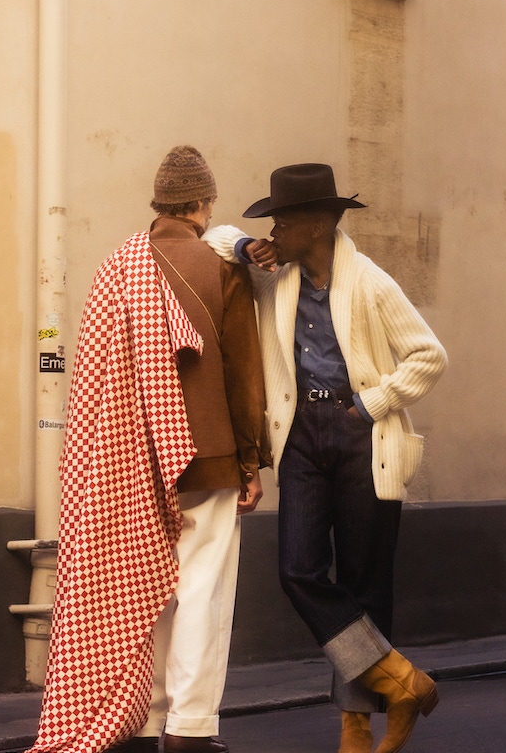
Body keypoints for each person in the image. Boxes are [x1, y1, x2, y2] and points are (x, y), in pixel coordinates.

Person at [29, 146, 270, 753]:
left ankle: (145, 717)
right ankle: (190, 725)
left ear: (159, 204)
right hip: (207, 458)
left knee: (146, 587)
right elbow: (244, 377)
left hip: (128, 455)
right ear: (201, 204)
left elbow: (95, 374)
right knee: (201, 587)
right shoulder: (223, 270)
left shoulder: (117, 267)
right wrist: (250, 462)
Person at [203, 163, 447, 753]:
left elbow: (428, 356)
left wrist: (370, 405)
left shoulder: (371, 284)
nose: (274, 233)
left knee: (366, 582)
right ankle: (402, 680)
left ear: (316, 225)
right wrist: (242, 245)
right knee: (299, 570)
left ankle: (357, 727)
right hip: (302, 438)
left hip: (361, 432)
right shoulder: (276, 279)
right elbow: (213, 239)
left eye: (282, 223)